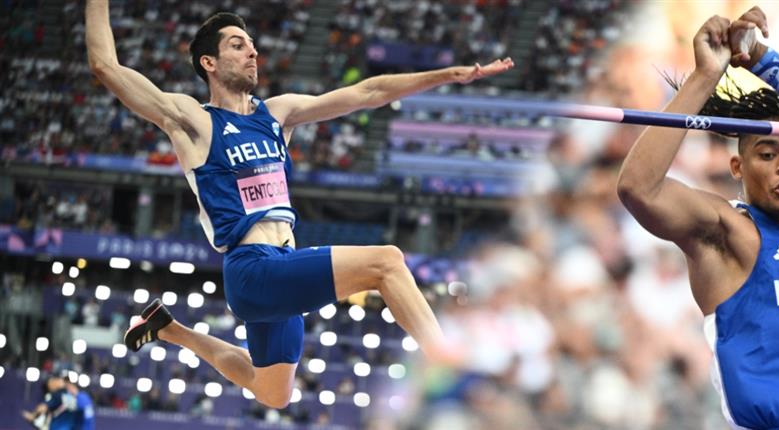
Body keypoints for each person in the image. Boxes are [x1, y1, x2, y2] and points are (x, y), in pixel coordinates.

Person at [84, 0, 513, 409]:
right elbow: (106, 66)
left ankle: (170, 329)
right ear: (208, 63)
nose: (252, 51)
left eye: (252, 44)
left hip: (280, 266)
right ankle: (450, 366)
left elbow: (369, 91)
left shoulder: (277, 114)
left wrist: (448, 75)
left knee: (273, 393)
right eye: (237, 44)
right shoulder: (194, 120)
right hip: (252, 269)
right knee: (387, 262)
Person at [616, 6, 779, 429]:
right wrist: (705, 76)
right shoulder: (726, 233)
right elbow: (638, 188)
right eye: (768, 154)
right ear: (738, 168)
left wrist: (757, 56)